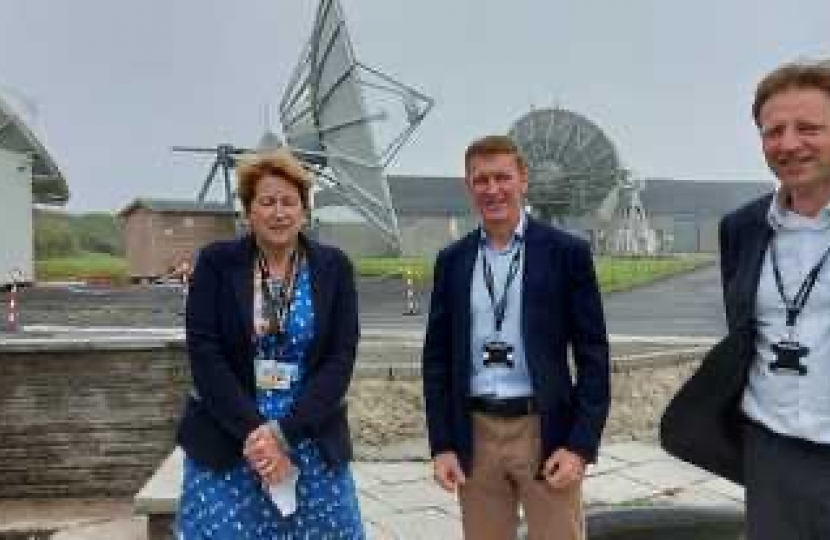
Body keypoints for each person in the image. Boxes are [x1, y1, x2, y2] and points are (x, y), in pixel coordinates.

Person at [422, 135, 610, 540]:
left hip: (545, 432)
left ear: (523, 179)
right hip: (476, 435)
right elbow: (436, 358)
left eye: (502, 177)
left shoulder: (565, 254)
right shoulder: (453, 262)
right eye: (481, 180)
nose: (493, 190)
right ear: (468, 185)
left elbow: (593, 355)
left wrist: (580, 446)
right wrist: (442, 445)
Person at [175, 149, 365, 538]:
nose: (279, 212)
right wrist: (259, 437)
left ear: (304, 210)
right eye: (267, 202)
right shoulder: (216, 263)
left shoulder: (334, 268)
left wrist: (284, 434)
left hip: (307, 433)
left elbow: (340, 357)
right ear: (248, 210)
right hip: (230, 439)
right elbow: (205, 353)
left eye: (288, 202)